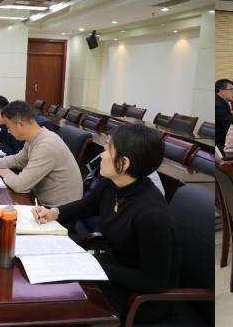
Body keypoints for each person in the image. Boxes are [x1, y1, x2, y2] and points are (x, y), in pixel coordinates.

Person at [31, 124, 177, 323]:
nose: (101, 154)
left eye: (108, 149)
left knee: (57, 303)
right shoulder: (112, 184)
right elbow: (87, 206)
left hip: (136, 297)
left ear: (123, 163)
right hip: (109, 265)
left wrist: (92, 266)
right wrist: (55, 212)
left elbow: (154, 281)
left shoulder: (151, 214)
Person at [0, 101, 82, 205]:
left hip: (57, 210)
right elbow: (18, 160)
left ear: (20, 124)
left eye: (9, 127)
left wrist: (5, 172)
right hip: (41, 203)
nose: (8, 131)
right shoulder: (35, 137)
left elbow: (20, 186)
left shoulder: (46, 145)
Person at [215, 79, 233, 153]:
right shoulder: (219, 105)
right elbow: (230, 125)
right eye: (231, 90)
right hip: (219, 145)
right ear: (221, 91)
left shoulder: (219, 101)